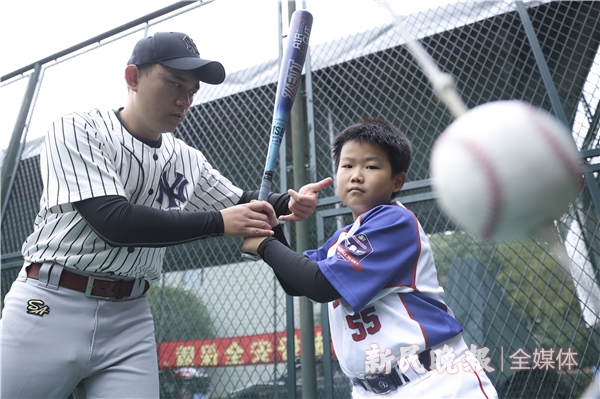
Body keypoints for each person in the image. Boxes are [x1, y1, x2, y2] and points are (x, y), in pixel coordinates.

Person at [0, 31, 331, 399]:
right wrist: (221, 222)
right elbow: (114, 221)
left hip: (129, 316)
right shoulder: (78, 128)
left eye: (191, 91)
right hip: (51, 303)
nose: (183, 100)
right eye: (174, 83)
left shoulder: (187, 158)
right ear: (132, 78)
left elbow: (241, 200)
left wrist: (287, 203)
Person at [242, 118, 498, 398]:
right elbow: (297, 283)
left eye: (371, 166)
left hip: (436, 383)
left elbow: (320, 285)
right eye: (347, 165)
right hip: (369, 390)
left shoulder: (394, 221)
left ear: (397, 180)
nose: (356, 175)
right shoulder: (340, 240)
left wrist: (265, 245)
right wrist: (271, 226)